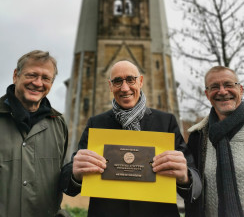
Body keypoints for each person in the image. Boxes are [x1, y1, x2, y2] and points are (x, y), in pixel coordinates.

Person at [60, 60, 201, 217]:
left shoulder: (166, 122)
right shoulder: (96, 123)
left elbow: (193, 180)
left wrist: (185, 177)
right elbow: (69, 182)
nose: (124, 88)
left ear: (140, 81)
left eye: (130, 80)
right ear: (110, 86)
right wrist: (76, 173)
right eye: (117, 81)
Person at [0, 50, 68, 217]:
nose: (38, 83)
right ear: (16, 75)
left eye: (46, 78)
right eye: (32, 75)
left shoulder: (59, 124)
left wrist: (77, 174)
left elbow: (64, 178)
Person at [186, 66, 244, 217]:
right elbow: (192, 189)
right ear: (207, 94)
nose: (223, 91)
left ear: (241, 89)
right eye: (214, 87)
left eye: (229, 85)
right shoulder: (197, 136)